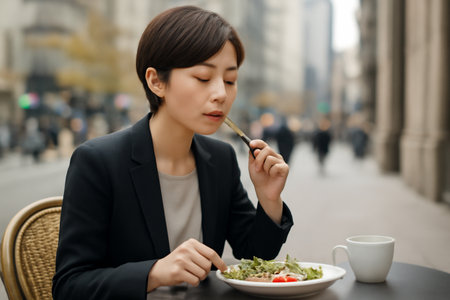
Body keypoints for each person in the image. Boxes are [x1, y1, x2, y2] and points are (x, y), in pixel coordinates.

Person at [52, 6, 293, 300]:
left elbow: (255, 253)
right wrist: (154, 273)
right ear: (156, 81)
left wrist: (269, 200)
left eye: (230, 80)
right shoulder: (98, 162)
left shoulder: (221, 159)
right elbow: (69, 286)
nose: (221, 93)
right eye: (204, 78)